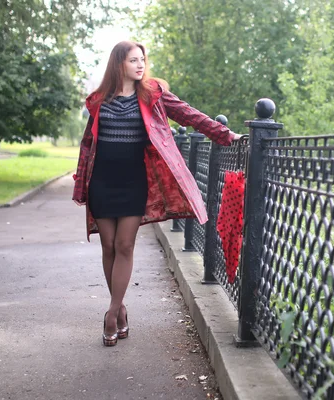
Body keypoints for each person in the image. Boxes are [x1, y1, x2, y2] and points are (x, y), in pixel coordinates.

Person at [72, 40, 241, 346]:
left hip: (134, 181)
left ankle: (111, 314)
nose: (140, 65)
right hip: (103, 182)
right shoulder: (99, 101)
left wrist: (226, 135)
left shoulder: (153, 95)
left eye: (142, 59)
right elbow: (88, 145)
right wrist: (81, 183)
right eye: (134, 60)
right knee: (108, 246)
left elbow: (190, 115)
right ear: (119, 64)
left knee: (124, 245)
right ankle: (121, 310)